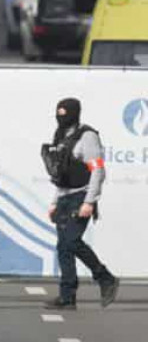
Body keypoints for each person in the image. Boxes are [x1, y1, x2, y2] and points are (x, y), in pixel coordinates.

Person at [41, 98, 119, 310]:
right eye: (58, 113)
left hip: (81, 196)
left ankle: (105, 278)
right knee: (63, 247)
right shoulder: (60, 136)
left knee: (72, 241)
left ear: (74, 114)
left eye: (64, 114)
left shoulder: (87, 136)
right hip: (64, 197)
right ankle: (67, 296)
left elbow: (97, 170)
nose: (61, 118)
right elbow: (61, 174)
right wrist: (54, 202)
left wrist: (89, 201)